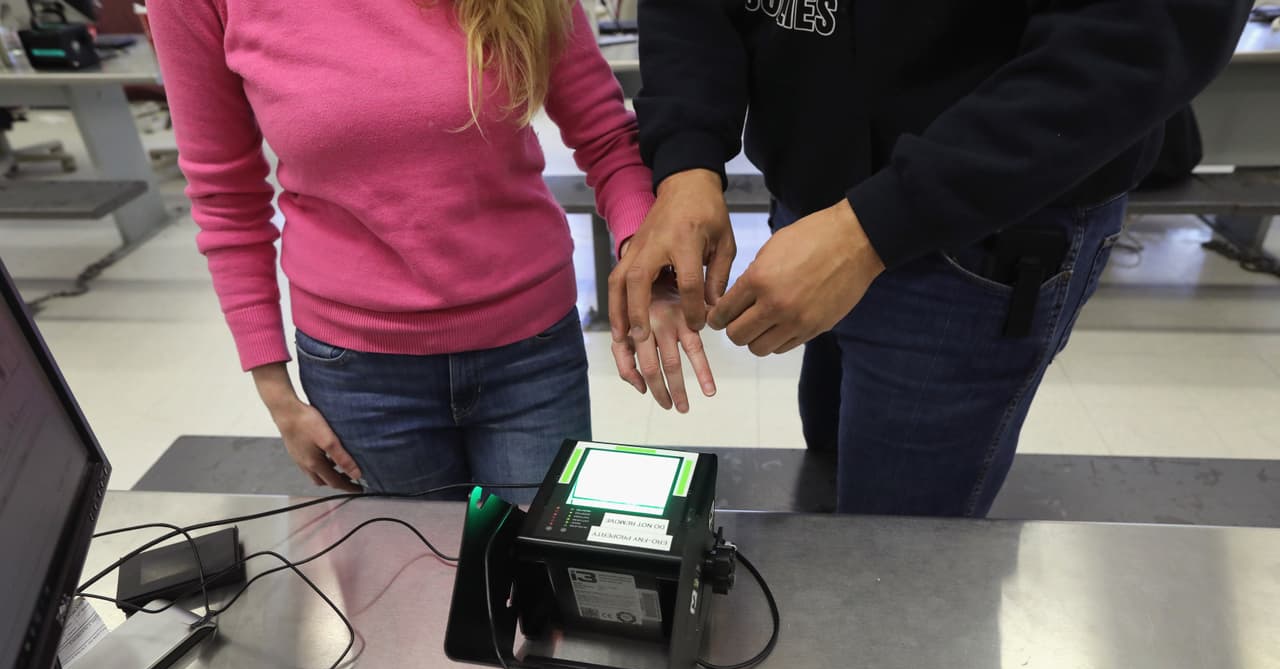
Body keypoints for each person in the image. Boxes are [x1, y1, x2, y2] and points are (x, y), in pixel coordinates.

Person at [612, 0, 1252, 516]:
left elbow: (1140, 32)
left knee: (900, 554)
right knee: (835, 465)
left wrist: (872, 230)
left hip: (980, 221)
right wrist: (687, 163)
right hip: (810, 187)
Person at [148, 0, 715, 501]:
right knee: (409, 593)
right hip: (360, 373)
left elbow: (607, 138)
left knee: (540, 585)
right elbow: (226, 195)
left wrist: (647, 260)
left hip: (530, 353)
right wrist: (275, 391)